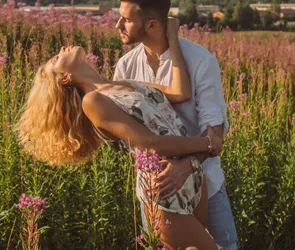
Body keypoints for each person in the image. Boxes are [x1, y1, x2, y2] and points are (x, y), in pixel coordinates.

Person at [16, 20, 220, 249]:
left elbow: (181, 92)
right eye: (56, 58)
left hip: (191, 175)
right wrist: (207, 142)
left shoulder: (124, 83)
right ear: (65, 78)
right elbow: (150, 144)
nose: (62, 49)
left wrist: (172, 39)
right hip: (165, 190)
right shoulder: (93, 102)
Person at [113, 0, 239, 250]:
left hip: (207, 183)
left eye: (126, 20)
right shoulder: (125, 66)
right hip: (158, 191)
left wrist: (186, 164)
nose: (117, 25)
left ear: (151, 25)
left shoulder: (201, 61)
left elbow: (214, 133)